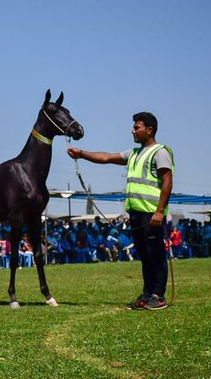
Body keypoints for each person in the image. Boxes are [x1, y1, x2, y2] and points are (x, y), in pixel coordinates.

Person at [68, 111, 173, 310]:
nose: (132, 131)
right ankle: (147, 295)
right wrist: (81, 154)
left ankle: (158, 296)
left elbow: (167, 182)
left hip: (152, 214)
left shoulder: (160, 152)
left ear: (149, 130)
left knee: (155, 255)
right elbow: (106, 157)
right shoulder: (134, 153)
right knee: (144, 255)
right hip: (136, 214)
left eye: (137, 127)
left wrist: (160, 211)